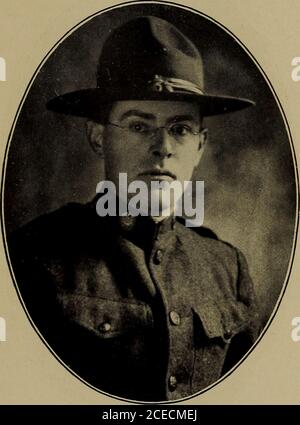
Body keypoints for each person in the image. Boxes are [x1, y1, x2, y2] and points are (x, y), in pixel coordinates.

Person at [8, 16, 261, 402]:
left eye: (180, 129)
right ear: (98, 137)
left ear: (199, 147)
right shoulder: (33, 257)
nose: (163, 147)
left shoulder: (227, 268)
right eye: (140, 126)